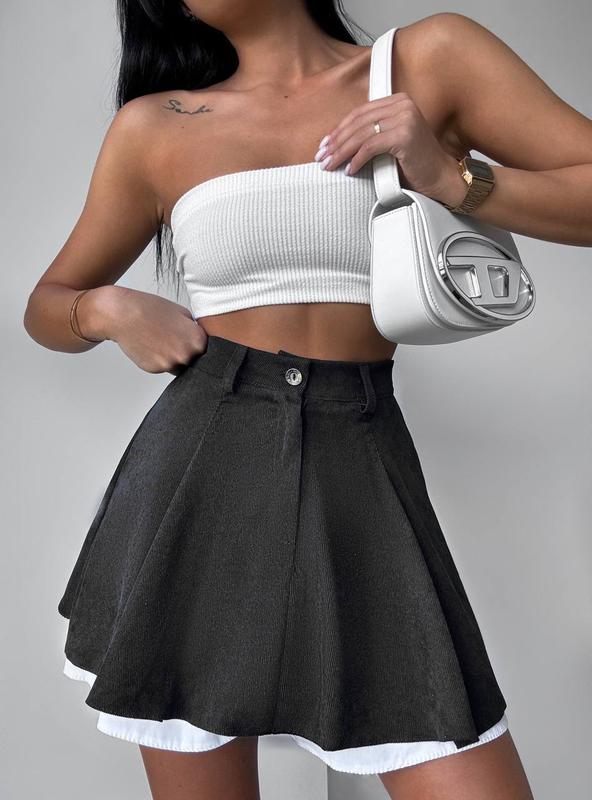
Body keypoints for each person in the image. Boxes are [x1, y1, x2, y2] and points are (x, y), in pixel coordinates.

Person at [23, 2, 592, 798]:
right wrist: (108, 311)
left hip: (363, 469)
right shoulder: (155, 128)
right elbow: (47, 304)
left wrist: (454, 180)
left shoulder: (429, 62)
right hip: (197, 479)